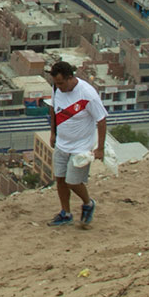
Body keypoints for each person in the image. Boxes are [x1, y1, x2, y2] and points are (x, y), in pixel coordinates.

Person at [46, 59, 108, 229]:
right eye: (56, 84)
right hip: (62, 144)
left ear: (69, 78)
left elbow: (101, 120)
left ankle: (88, 203)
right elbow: (53, 109)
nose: (58, 87)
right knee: (60, 179)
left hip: (81, 146)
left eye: (60, 83)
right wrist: (53, 133)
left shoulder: (87, 94)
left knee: (73, 181)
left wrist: (100, 148)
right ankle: (65, 212)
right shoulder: (56, 89)